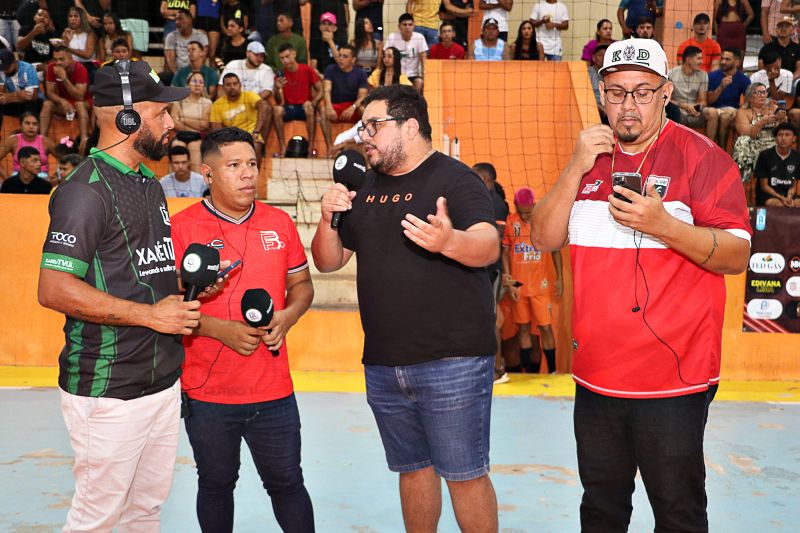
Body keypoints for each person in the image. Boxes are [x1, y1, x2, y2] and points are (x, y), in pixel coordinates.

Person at [530, 38, 751, 532]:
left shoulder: (703, 158)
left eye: (642, 92)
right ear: (601, 95)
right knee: (602, 510)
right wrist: (574, 165)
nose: (628, 106)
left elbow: (736, 256)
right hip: (594, 378)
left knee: (677, 514)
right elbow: (543, 237)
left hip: (673, 381)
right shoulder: (588, 160)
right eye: (616, 92)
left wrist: (663, 224)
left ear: (666, 92)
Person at [312, 84, 500, 532]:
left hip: (451, 360)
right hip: (383, 362)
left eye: (374, 126)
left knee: (465, 475)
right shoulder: (363, 186)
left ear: (410, 126)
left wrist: (449, 240)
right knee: (412, 468)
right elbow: (328, 260)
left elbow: (489, 246)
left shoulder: (455, 179)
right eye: (363, 127)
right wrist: (326, 216)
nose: (365, 136)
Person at [37, 58, 208, 532]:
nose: (172, 123)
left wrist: (183, 286)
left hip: (160, 382)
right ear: (127, 117)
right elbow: (53, 288)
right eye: (161, 113)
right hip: (109, 391)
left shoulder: (147, 183)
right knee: (97, 519)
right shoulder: (84, 192)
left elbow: (139, 270)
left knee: (143, 513)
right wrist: (152, 316)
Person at [172, 126, 315, 533]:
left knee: (288, 484)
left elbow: (302, 286)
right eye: (234, 165)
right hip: (208, 392)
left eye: (252, 164)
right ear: (208, 173)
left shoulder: (280, 222)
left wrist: (287, 317)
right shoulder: (181, 229)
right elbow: (164, 306)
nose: (247, 174)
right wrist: (219, 329)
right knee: (216, 485)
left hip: (274, 391)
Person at [502, 188, 561, 374]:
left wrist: (560, 279)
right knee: (523, 329)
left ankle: (553, 372)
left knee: (545, 328)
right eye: (521, 212)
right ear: (516, 207)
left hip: (541, 286)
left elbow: (555, 250)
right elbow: (504, 253)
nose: (525, 215)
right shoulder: (511, 223)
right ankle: (526, 374)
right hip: (519, 286)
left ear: (534, 206)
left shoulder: (543, 221)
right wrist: (510, 281)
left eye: (528, 212)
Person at [472, 162, 510, 383]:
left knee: (492, 319)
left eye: (476, 177)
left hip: (490, 270)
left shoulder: (495, 204)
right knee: (488, 317)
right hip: (484, 269)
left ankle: (497, 370)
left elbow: (494, 241)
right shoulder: (486, 200)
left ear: (486, 180)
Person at [41, 45, 92, 155]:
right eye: (55, 59)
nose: (58, 62)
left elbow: (80, 96)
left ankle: (84, 140)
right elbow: (49, 93)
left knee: (79, 104)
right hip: (64, 103)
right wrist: (62, 101)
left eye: (61, 59)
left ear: (70, 58)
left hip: (83, 102)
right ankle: (41, 140)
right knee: (47, 104)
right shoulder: (51, 68)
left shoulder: (80, 69)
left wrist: (64, 79)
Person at [273, 43, 323, 156]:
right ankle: (282, 148)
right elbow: (277, 100)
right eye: (282, 58)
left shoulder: (307, 70)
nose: (285, 60)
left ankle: (310, 148)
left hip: (304, 107)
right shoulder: (280, 74)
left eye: (287, 56)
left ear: (294, 54)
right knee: (276, 110)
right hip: (289, 107)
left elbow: (321, 89)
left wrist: (313, 102)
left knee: (309, 107)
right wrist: (277, 88)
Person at [733, 82, 786, 184]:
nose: (763, 95)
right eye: (759, 92)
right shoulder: (743, 112)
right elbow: (748, 134)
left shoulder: (773, 108)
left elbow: (783, 130)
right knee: (742, 141)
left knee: (781, 142)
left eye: (764, 92)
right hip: (753, 145)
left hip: (772, 144)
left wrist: (783, 119)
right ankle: (743, 177)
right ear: (750, 95)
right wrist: (762, 121)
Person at [320, 44, 369, 154]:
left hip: (351, 107)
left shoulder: (360, 73)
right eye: (340, 55)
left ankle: (364, 148)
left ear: (353, 60)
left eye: (345, 56)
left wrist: (352, 107)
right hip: (335, 107)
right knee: (323, 112)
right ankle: (330, 148)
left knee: (364, 110)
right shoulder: (330, 69)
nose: (341, 58)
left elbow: (363, 96)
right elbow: (326, 90)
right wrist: (328, 106)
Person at [211, 73, 267, 164]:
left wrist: (256, 131)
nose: (232, 87)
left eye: (235, 83)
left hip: (252, 135)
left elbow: (263, 107)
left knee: (256, 145)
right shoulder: (217, 105)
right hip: (231, 139)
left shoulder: (249, 96)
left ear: (240, 85)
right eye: (228, 85)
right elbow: (216, 130)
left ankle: (255, 176)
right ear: (223, 87)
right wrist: (228, 141)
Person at [706, 47, 750, 149]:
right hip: (714, 109)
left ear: (737, 62)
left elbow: (748, 101)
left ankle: (722, 150)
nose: (723, 62)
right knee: (715, 113)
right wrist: (721, 87)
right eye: (722, 59)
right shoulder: (712, 76)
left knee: (727, 114)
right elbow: (709, 101)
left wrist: (741, 111)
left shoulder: (743, 79)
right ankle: (711, 150)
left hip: (733, 110)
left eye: (727, 59)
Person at [170, 71, 212, 172]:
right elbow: (174, 123)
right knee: (177, 147)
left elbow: (204, 124)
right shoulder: (178, 101)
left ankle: (198, 186)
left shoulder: (207, 102)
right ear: (188, 84)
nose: (197, 84)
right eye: (194, 81)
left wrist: (183, 119)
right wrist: (194, 127)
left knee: (195, 151)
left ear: (203, 86)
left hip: (198, 138)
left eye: (201, 82)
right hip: (180, 136)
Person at [754, 123, 800, 206]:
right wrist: (781, 198)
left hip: (788, 195)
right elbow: (764, 186)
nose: (783, 138)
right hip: (769, 195)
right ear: (775, 138)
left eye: (787, 135)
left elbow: (794, 184)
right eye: (780, 135)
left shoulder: (797, 157)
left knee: (797, 204)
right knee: (781, 205)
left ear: (794, 138)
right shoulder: (765, 155)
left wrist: (789, 196)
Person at [0, 112, 55, 181]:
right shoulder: (12, 140)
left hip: (42, 178)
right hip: (17, 178)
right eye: (27, 123)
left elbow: (63, 158)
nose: (31, 127)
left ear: (39, 127)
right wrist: (6, 178)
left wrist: (56, 176)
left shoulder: (46, 142)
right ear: (20, 125)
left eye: (34, 124)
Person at [384, 13, 429, 93]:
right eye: (404, 25)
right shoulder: (392, 37)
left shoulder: (419, 37)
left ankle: (415, 104)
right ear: (399, 27)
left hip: (413, 74)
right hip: (397, 74)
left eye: (410, 24)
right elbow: (385, 56)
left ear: (413, 26)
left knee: (419, 82)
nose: (407, 27)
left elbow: (424, 61)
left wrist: (426, 78)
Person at [0, 48, 41, 130]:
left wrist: (9, 97)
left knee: (29, 103)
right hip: (16, 103)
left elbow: (32, 96)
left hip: (35, 103)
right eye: (3, 68)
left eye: (7, 67)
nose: (5, 71)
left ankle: (31, 132)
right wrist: (18, 94)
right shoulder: (2, 71)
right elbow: (1, 96)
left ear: (14, 62)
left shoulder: (28, 69)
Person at [163, 9, 208, 84]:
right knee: (157, 79)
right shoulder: (171, 36)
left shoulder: (200, 36)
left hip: (196, 71)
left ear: (190, 20)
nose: (177, 22)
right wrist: (178, 75)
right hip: (176, 71)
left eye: (180, 19)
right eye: (176, 19)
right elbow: (170, 59)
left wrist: (193, 74)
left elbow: (202, 58)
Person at [668, 46, 708, 128]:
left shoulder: (703, 75)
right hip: (677, 108)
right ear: (688, 60)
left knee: (712, 113)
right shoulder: (671, 73)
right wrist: (684, 106)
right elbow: (667, 99)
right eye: (699, 58)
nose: (702, 62)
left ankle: (711, 140)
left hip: (694, 109)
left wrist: (696, 108)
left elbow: (703, 101)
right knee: (678, 113)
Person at [16, 7, 58, 78]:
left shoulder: (52, 34)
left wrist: (45, 65)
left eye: (45, 17)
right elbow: (19, 47)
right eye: (39, 15)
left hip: (44, 68)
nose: (42, 17)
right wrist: (33, 33)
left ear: (49, 21)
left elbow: (56, 57)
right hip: (28, 67)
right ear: (34, 17)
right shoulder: (25, 29)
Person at [759, 15, 800, 80]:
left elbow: (799, 70)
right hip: (771, 81)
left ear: (792, 30)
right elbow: (761, 69)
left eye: (787, 26)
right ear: (776, 30)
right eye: (780, 26)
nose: (783, 28)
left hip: (791, 81)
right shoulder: (766, 49)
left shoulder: (798, 49)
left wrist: (788, 80)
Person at [62, 6, 97, 80]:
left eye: (76, 16)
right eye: (70, 16)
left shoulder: (90, 34)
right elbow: (63, 55)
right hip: (70, 66)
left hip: (87, 66)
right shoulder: (66, 33)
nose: (72, 19)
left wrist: (68, 48)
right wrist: (66, 42)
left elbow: (88, 55)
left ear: (82, 18)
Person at [589, 44, 609, 123]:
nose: (603, 58)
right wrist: (598, 107)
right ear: (594, 58)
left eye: (606, 55)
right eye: (600, 55)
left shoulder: (612, 74)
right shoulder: (587, 73)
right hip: (592, 108)